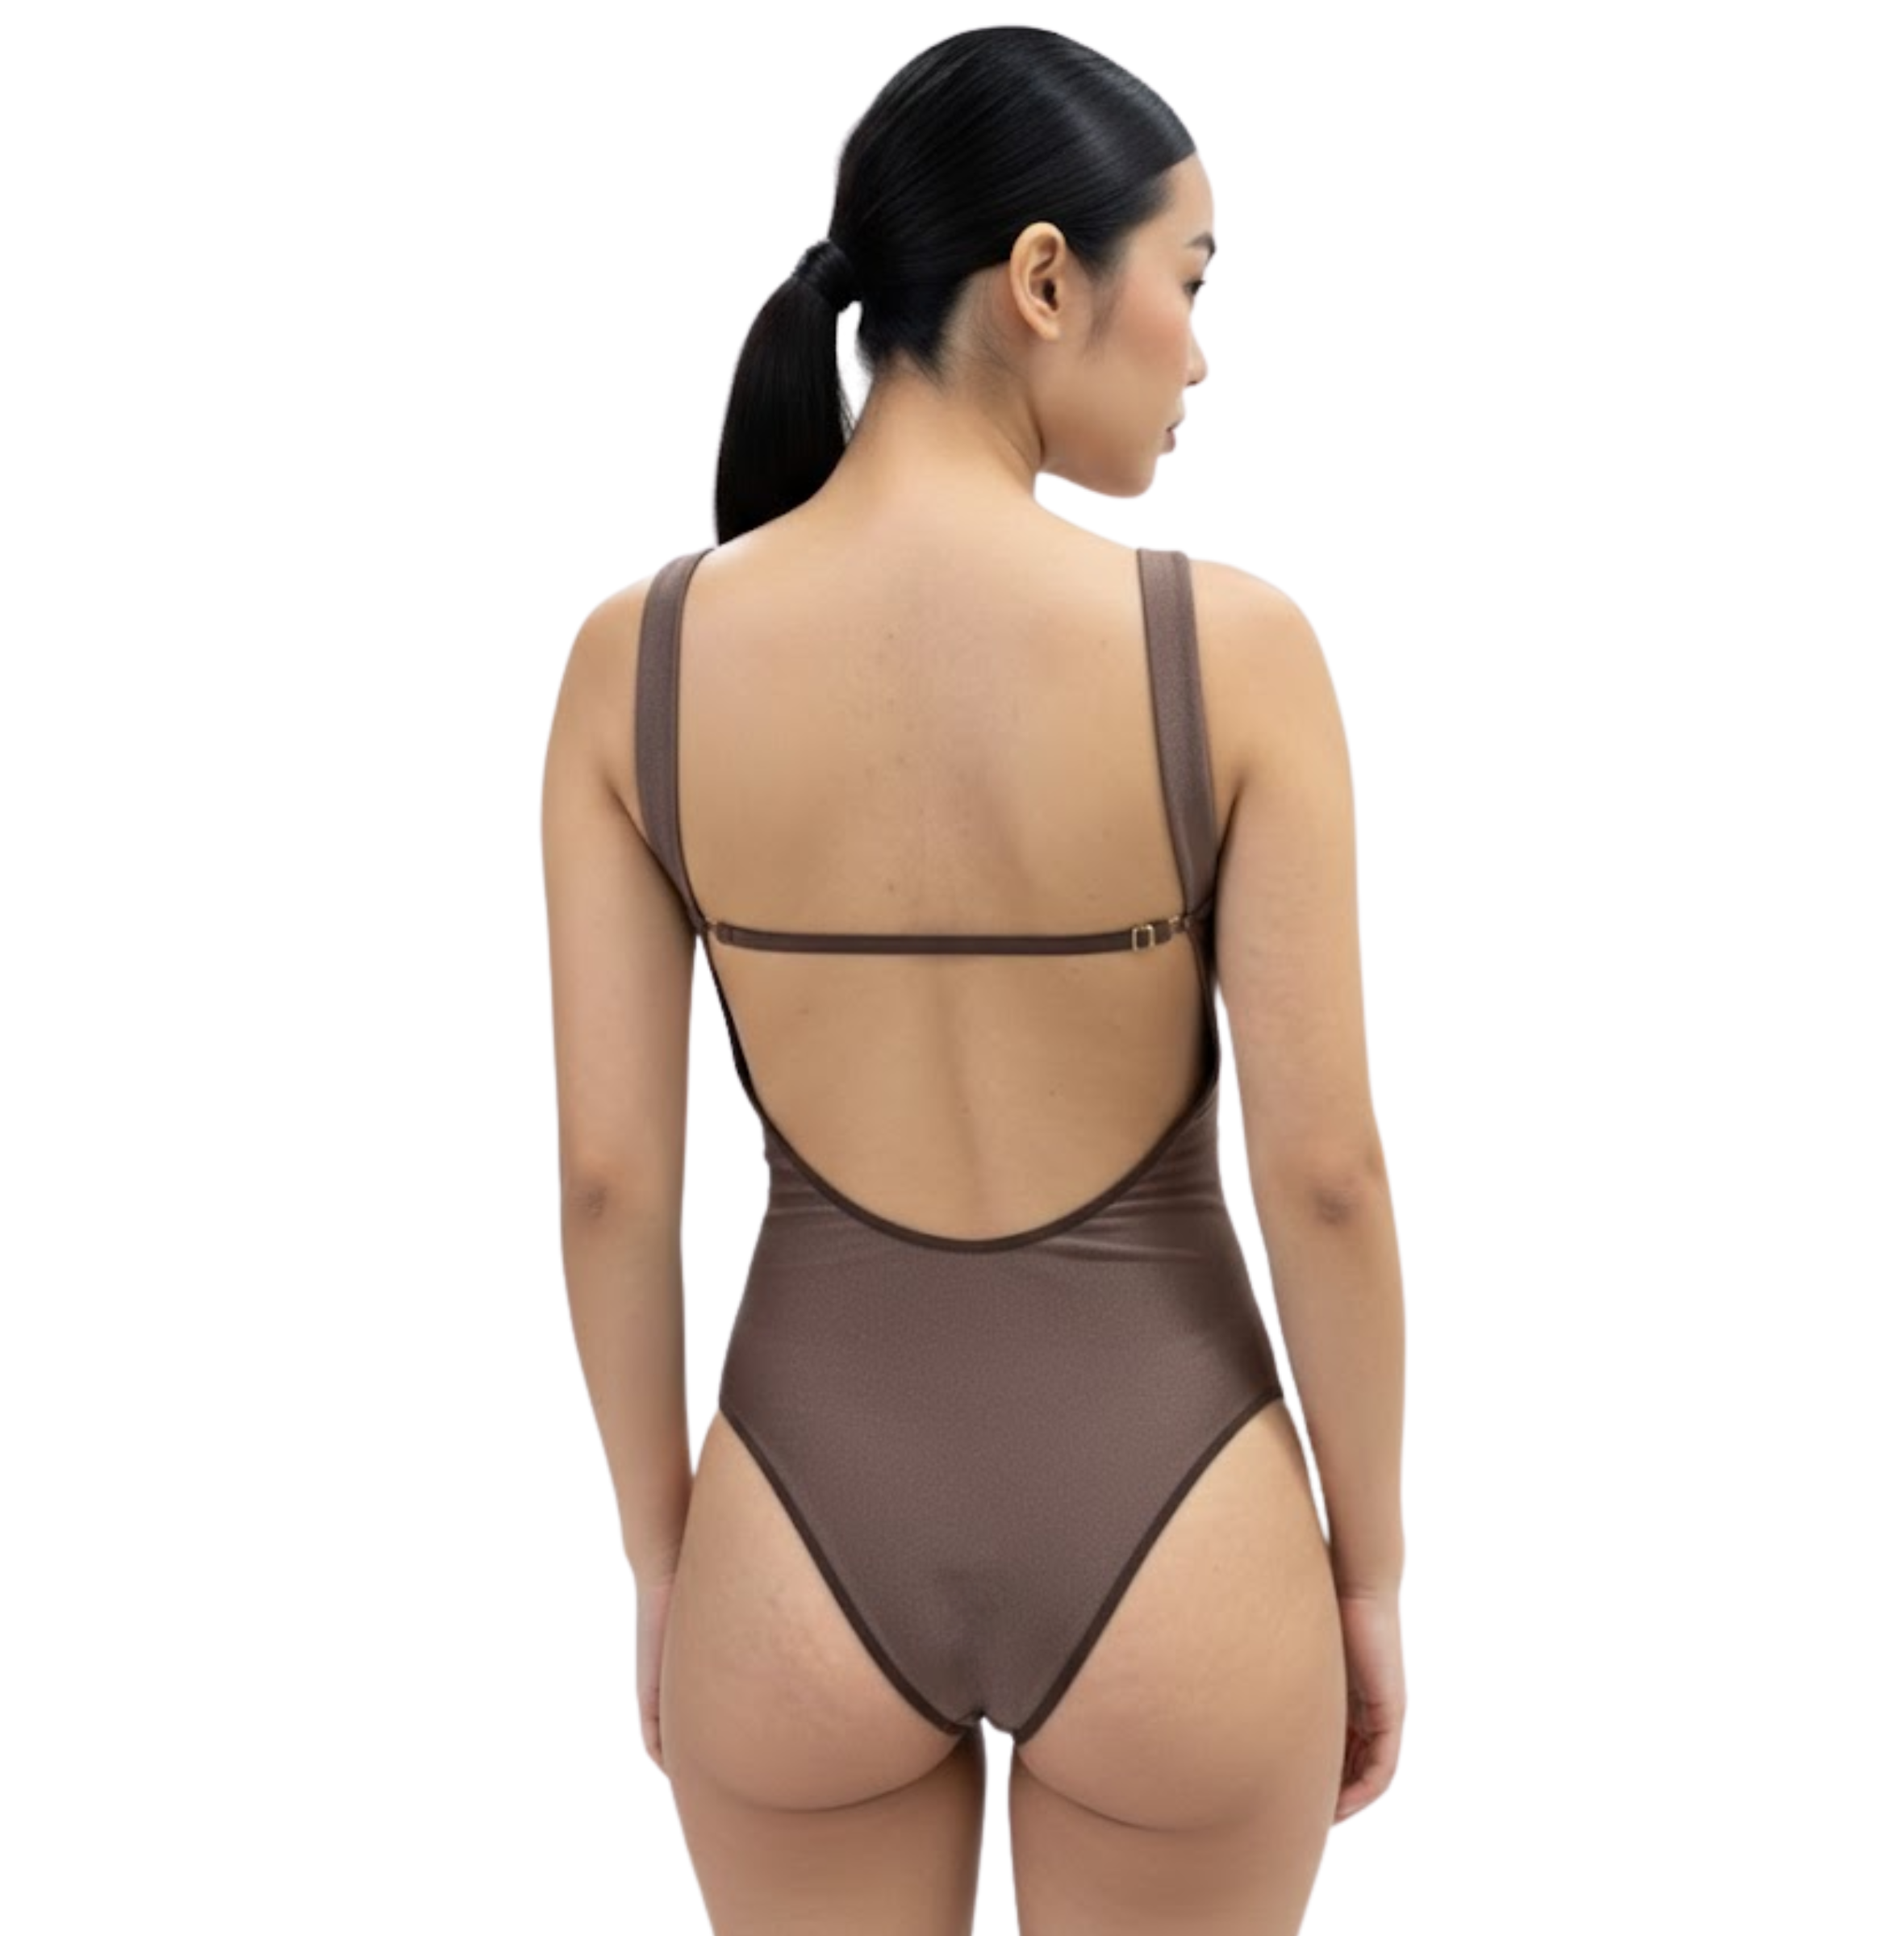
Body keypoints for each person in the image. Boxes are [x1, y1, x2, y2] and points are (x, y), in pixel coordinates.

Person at [541, 25, 1405, 1931]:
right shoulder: (1231, 654)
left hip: (793, 1534)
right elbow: (1327, 1178)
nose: (1200, 353)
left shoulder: (639, 663)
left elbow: (608, 1185)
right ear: (1042, 281)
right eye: (1189, 283)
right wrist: (1369, 1570)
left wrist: (666, 1564)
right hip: (1187, 1536)